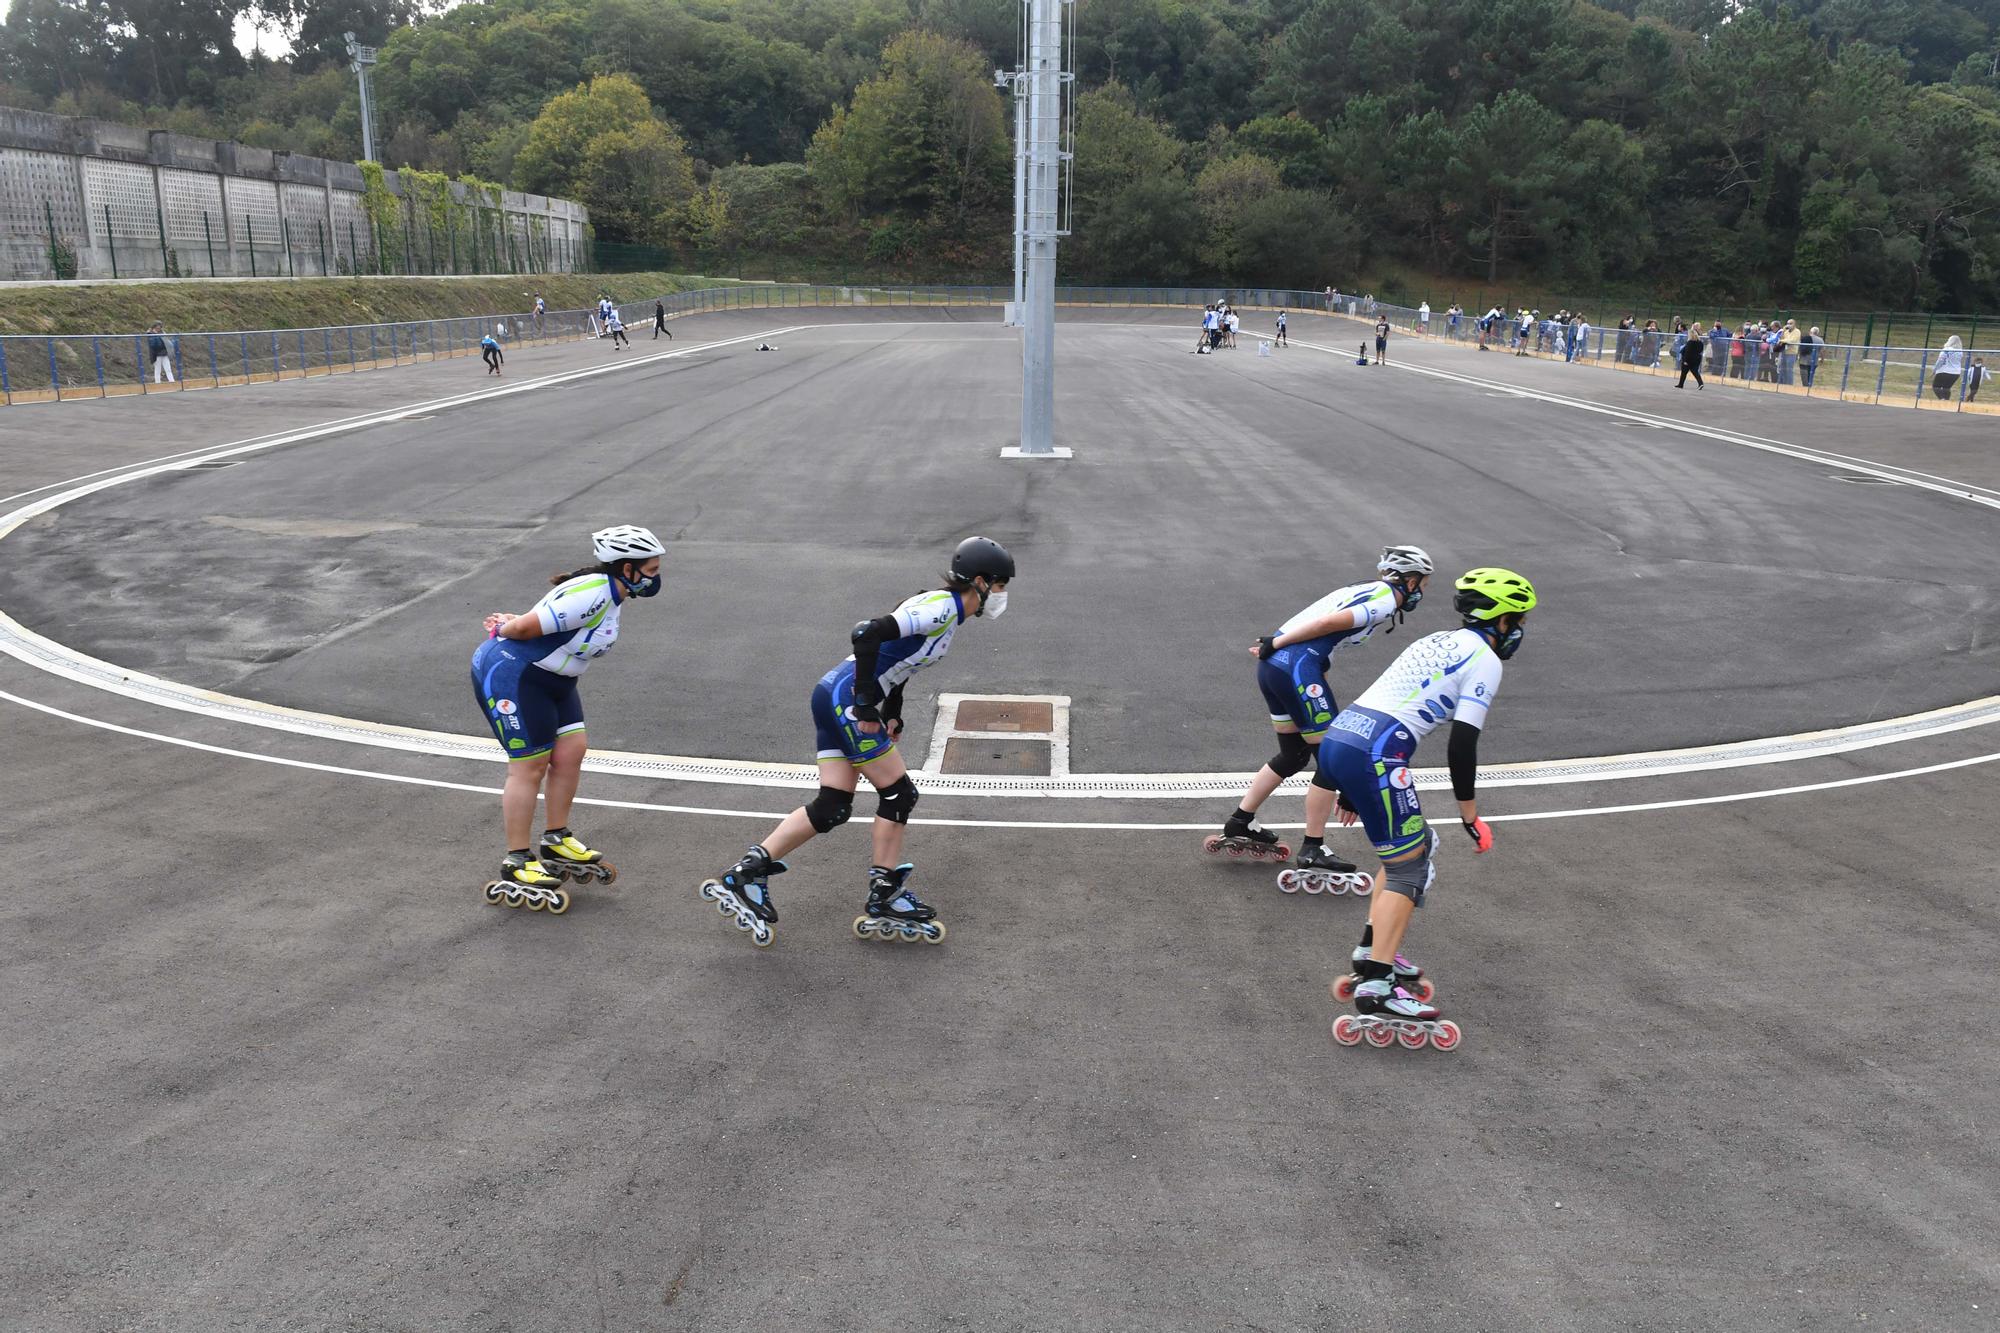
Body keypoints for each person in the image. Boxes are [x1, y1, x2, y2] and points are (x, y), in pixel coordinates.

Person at [701, 538, 1016, 948]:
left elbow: (900, 662)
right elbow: (866, 633)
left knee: (833, 805)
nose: (1004, 595)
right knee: (899, 794)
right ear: (980, 581)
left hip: (833, 693)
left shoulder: (948, 613)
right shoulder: (941, 607)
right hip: (846, 699)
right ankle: (884, 895)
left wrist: (892, 708)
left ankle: (744, 875)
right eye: (1002, 585)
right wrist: (867, 705)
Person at [1310, 567, 1537, 1050]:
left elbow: (1385, 696)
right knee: (1409, 869)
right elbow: (1463, 745)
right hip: (1376, 752)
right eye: (1516, 618)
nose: (1518, 629)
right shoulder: (1485, 660)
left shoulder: (1438, 639)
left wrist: (1346, 785)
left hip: (1344, 737)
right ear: (1499, 619)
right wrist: (1470, 816)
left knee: (1415, 847)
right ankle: (1378, 984)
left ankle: (1372, 950)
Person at [473, 525, 667, 913]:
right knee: (529, 767)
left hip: (554, 680)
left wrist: (519, 620)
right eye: (651, 568)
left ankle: (556, 837)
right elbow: (527, 627)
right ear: (627, 569)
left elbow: (546, 619)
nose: (655, 576)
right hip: (516, 676)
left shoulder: (611, 590)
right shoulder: (595, 591)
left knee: (571, 752)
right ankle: (516, 860)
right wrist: (504, 627)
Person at [1208, 547, 1433, 869]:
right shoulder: (1385, 601)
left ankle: (1240, 821)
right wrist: (1277, 643)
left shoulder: (1362, 587)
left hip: (1277, 669)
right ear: (1411, 582)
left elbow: (1319, 631)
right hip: (1295, 668)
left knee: (1294, 754)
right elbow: (1329, 622)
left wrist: (1278, 648)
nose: (1422, 593)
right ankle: (1313, 848)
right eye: (1424, 586)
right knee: (1330, 760)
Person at [1676, 322, 1705, 389]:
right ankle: (1700, 383)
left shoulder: (1690, 342)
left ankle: (1681, 384)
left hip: (1688, 359)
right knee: (1695, 371)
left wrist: (1685, 361)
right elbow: (1700, 350)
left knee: (1684, 372)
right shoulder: (1700, 342)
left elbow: (1687, 352)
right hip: (1697, 359)